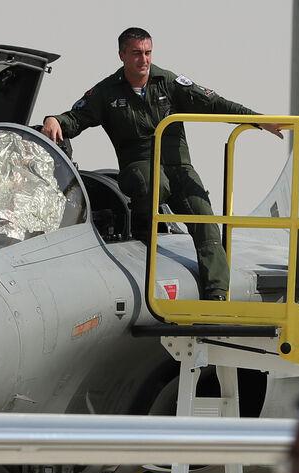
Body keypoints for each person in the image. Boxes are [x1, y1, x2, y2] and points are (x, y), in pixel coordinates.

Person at [41, 26, 284, 300]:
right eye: (135, 53)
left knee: (206, 220)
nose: (143, 60)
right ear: (122, 55)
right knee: (153, 183)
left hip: (179, 167)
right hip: (140, 166)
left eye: (147, 53)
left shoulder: (168, 83)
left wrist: (257, 119)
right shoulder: (106, 93)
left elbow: (215, 104)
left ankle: (217, 294)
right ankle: (145, 225)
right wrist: (55, 120)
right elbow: (76, 118)